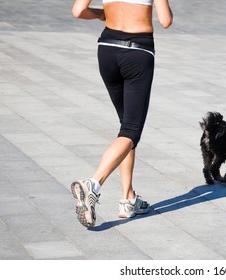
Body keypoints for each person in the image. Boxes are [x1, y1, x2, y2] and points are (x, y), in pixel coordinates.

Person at [70, 0, 173, 228]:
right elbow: (165, 21)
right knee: (131, 130)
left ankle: (128, 199)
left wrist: (100, 14)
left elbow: (78, 11)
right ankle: (93, 185)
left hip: (106, 50)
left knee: (125, 127)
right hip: (138, 52)